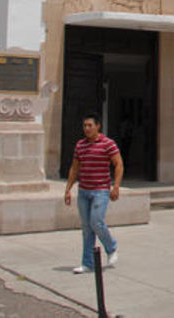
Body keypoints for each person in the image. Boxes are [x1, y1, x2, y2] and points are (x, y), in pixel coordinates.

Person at [64, 113, 123, 274]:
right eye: (85, 126)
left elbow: (118, 164)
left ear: (98, 126)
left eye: (90, 125)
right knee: (86, 228)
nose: (87, 128)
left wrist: (116, 186)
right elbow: (75, 168)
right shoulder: (80, 145)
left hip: (101, 190)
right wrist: (68, 189)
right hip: (84, 190)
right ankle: (87, 263)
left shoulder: (108, 144)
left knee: (96, 221)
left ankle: (111, 247)